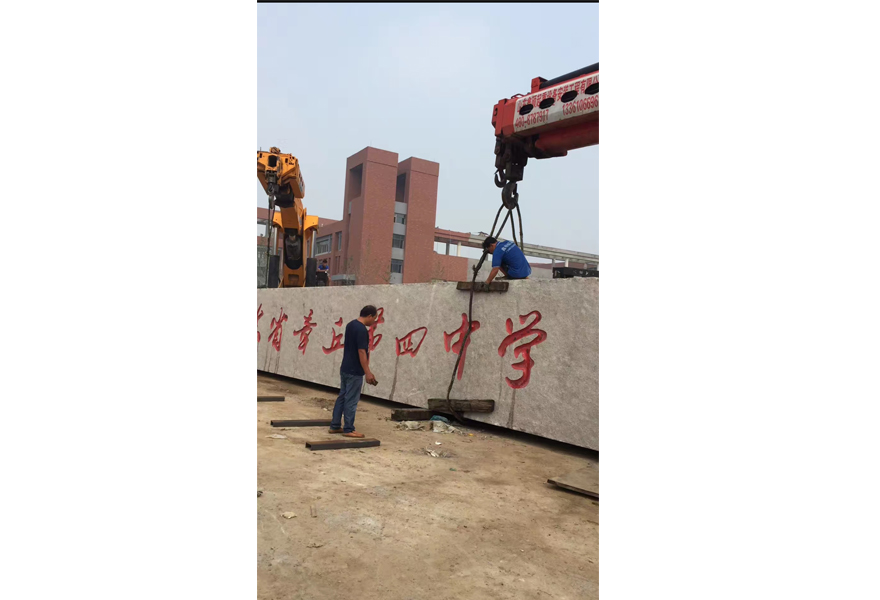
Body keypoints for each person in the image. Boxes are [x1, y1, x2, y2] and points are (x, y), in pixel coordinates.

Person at [329, 305, 379, 438]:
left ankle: (335, 425)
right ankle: (349, 429)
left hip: (345, 367)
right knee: (351, 400)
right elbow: (361, 351)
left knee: (342, 396)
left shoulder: (351, 325)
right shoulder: (361, 330)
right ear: (369, 316)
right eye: (374, 318)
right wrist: (367, 372)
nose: (374, 321)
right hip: (355, 370)